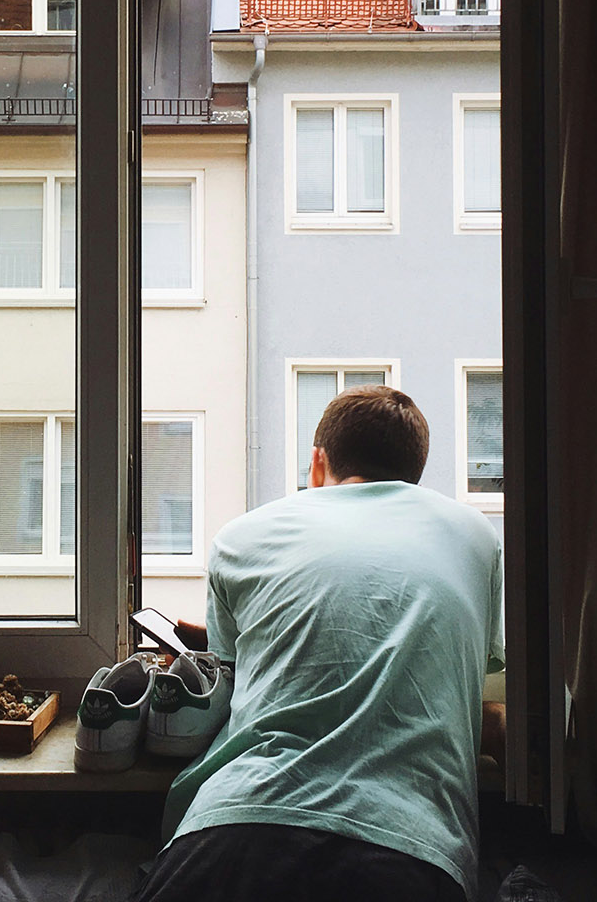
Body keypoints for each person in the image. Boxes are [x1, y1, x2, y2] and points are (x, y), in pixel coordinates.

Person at [135, 385, 505, 902]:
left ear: (317, 463)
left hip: (234, 828)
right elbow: (471, 685)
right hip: (410, 848)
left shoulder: (241, 537)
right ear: (414, 476)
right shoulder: (474, 535)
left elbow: (232, 685)